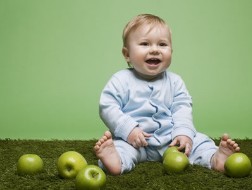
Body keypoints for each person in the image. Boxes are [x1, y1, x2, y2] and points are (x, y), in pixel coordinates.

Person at [94, 14, 240, 175]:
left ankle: (215, 158)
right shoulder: (121, 80)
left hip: (171, 141)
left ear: (171, 50)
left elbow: (182, 108)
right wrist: (129, 130)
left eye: (162, 44)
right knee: (121, 148)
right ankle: (115, 161)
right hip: (135, 142)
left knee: (199, 141)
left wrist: (183, 133)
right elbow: (107, 107)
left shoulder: (175, 81)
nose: (155, 50)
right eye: (145, 44)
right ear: (127, 54)